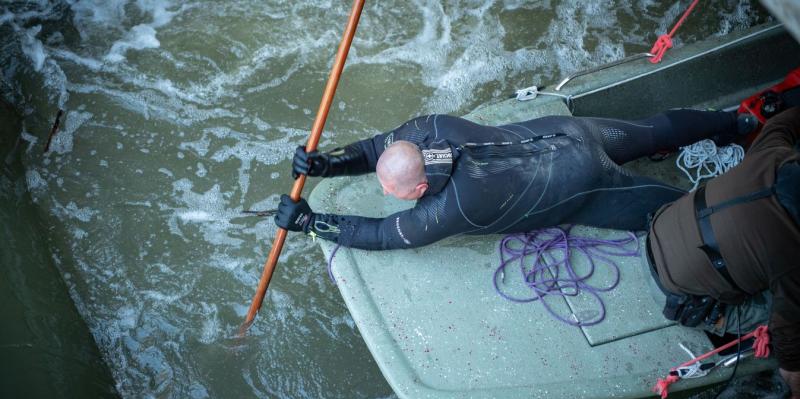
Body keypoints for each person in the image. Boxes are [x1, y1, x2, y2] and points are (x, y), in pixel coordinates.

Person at [276, 109, 753, 250]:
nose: (384, 192)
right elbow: (373, 150)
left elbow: (382, 235)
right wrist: (327, 164)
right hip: (569, 132)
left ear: (420, 191)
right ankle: (739, 121)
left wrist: (311, 224)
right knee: (650, 131)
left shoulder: (448, 208)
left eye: (392, 190)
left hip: (584, 181)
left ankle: (755, 204)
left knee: (678, 213)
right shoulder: (426, 128)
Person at [643, 107, 800, 399]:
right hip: (682, 297)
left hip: (655, 235)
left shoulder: (773, 155)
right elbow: (790, 343)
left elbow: (784, 121)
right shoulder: (792, 253)